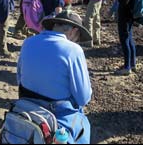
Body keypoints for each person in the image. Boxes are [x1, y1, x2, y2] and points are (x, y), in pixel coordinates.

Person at [17, 10, 93, 143]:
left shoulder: (28, 42)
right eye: (78, 37)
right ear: (74, 31)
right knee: (83, 126)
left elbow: (19, 79)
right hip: (57, 115)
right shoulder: (73, 50)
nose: (78, 41)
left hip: (26, 106)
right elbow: (83, 98)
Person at [112, 0, 139, 75]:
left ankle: (127, 67)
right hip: (128, 17)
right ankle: (132, 64)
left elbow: (124, 2)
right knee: (129, 40)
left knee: (125, 42)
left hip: (125, 18)